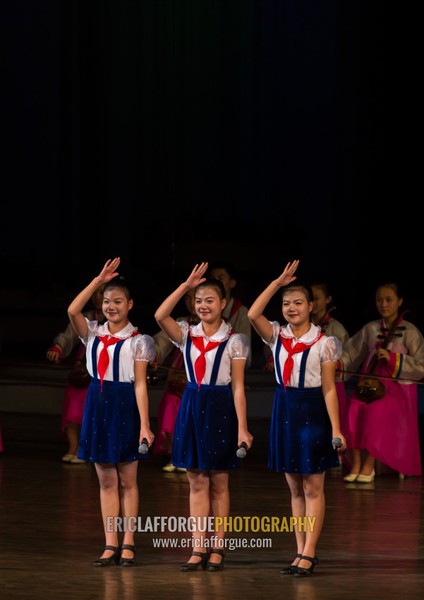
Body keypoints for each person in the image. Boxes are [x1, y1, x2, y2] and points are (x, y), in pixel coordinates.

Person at [247, 260, 346, 577]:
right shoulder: (277, 336)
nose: (291, 308)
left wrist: (337, 428)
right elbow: (252, 314)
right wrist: (277, 283)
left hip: (312, 410)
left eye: (298, 302)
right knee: (294, 489)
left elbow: (329, 389)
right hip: (285, 409)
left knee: (313, 487)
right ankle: (299, 550)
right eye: (286, 303)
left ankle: (310, 552)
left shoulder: (324, 343)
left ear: (311, 306)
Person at [154, 262, 253, 572]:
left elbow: (238, 388)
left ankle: (218, 547)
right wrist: (186, 285)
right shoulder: (187, 334)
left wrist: (243, 428)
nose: (204, 306)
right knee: (196, 481)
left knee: (219, 482)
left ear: (223, 303)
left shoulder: (234, 340)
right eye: (198, 301)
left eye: (210, 300)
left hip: (221, 405)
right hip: (192, 404)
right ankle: (198, 546)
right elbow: (160, 316)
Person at [67, 257, 156, 567]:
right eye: (106, 301)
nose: (111, 306)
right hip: (98, 402)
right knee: (106, 480)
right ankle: (110, 542)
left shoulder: (139, 341)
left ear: (130, 304)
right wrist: (97, 281)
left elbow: (141, 386)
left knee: (128, 479)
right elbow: (72, 310)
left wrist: (145, 425)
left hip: (124, 404)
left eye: (118, 301)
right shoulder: (92, 332)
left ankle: (128, 541)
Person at [338, 282, 424, 482]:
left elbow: (421, 365)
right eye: (379, 300)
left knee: (377, 412)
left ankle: (369, 466)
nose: (383, 304)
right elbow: (350, 353)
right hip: (370, 386)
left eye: (388, 300)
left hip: (398, 390)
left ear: (399, 302)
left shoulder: (410, 331)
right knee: (353, 409)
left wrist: (394, 358)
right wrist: (337, 363)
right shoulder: (371, 328)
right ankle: (357, 464)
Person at [46, 286, 105, 463]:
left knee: (93, 414)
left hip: (103, 375)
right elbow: (68, 336)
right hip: (81, 372)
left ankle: (88, 449)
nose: (97, 297)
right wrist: (58, 347)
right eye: (94, 293)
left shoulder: (117, 321)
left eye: (101, 293)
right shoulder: (85, 317)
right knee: (72, 408)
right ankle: (73, 447)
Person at [152, 288, 198, 472]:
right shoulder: (182, 324)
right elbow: (161, 341)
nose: (191, 302)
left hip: (198, 383)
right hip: (177, 381)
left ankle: (188, 456)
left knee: (192, 421)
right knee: (169, 419)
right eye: (188, 298)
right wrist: (154, 355)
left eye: (196, 298)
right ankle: (174, 455)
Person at [311, 281, 350, 471]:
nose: (314, 302)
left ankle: (336, 455)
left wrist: (332, 364)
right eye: (311, 298)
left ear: (328, 300)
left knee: (333, 420)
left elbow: (346, 356)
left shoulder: (336, 328)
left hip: (330, 384)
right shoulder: (304, 326)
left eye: (317, 298)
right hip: (310, 385)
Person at [207, 260, 252, 368]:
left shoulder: (241, 312)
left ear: (232, 283)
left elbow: (245, 354)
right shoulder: (205, 308)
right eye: (213, 279)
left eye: (220, 278)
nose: (215, 282)